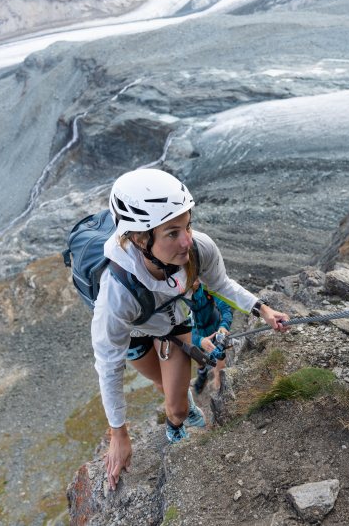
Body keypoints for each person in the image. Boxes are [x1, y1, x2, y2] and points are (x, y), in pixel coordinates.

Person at [91, 168, 290, 491]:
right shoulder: (116, 293)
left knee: (178, 407)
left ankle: (176, 426)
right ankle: (174, 401)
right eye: (172, 233)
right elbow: (109, 365)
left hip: (170, 322)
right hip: (135, 332)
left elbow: (222, 284)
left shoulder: (198, 249)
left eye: (188, 225)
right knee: (159, 380)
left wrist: (263, 310)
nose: (187, 241)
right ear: (141, 239)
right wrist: (119, 435)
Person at [188, 279, 232, 395]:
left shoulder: (208, 286)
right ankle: (202, 372)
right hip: (198, 331)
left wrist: (224, 326)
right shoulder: (181, 296)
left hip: (216, 327)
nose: (195, 278)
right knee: (198, 355)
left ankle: (218, 378)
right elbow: (182, 325)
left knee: (219, 357)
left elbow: (225, 308)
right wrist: (199, 340)